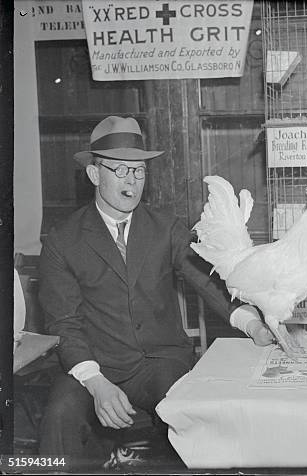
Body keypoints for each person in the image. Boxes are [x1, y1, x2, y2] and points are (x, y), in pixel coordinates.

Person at [38, 116, 274, 466]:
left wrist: (252, 324)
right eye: (120, 170)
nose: (132, 181)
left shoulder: (166, 228)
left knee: (190, 413)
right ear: (93, 174)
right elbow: (64, 323)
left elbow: (206, 279)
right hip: (95, 363)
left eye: (139, 171)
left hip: (161, 361)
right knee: (59, 415)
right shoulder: (62, 240)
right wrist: (96, 382)